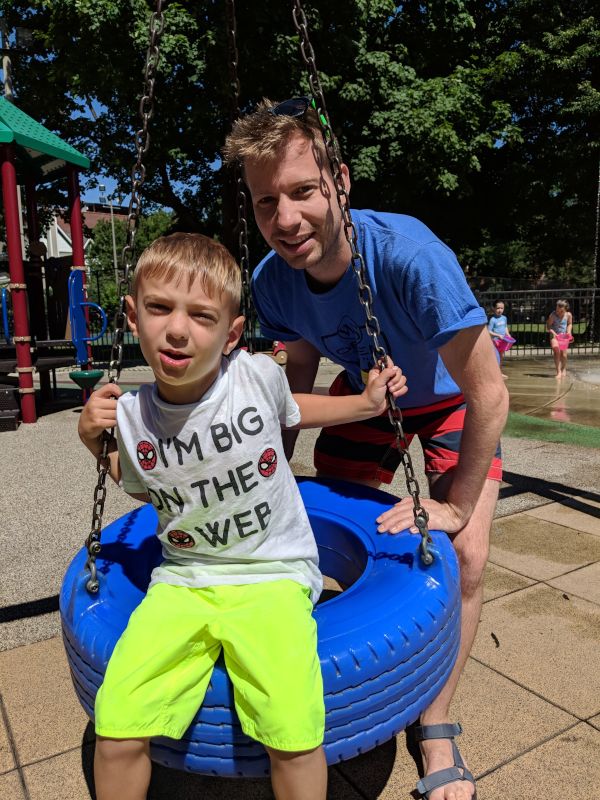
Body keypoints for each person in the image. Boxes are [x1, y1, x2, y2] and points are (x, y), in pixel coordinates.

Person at [223, 98, 509, 800]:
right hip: (370, 394)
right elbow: (289, 392)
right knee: (324, 523)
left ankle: (436, 725)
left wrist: (455, 503)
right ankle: (336, 673)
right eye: (267, 202)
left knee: (465, 551)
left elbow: (490, 394)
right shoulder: (271, 281)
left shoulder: (411, 258)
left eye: (303, 192)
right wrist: (272, 483)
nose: (286, 220)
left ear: (340, 183)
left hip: (447, 398)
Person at [77, 232, 405, 800]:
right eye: (159, 308)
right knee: (117, 724)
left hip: (272, 572)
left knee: (294, 727)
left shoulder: (255, 376)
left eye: (201, 316)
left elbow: (297, 410)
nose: (178, 329)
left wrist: (366, 404)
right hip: (183, 579)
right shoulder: (127, 415)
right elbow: (145, 487)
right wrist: (94, 443)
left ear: (230, 334)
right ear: (132, 317)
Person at [546, 299, 573, 379]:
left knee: (564, 354)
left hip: (563, 337)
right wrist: (553, 333)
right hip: (554, 336)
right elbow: (548, 326)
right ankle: (558, 372)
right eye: (557, 310)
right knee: (556, 350)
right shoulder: (553, 315)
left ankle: (563, 368)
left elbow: (570, 324)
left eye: (560, 311)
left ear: (565, 309)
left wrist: (569, 332)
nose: (558, 312)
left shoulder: (568, 315)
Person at [487, 300, 511, 374]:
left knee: (501, 356)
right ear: (493, 308)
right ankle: (494, 372)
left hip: (503, 340)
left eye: (502, 308)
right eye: (498, 308)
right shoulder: (492, 320)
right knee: (495, 356)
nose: (500, 310)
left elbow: (505, 327)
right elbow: (489, 331)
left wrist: (507, 334)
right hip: (495, 341)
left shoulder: (504, 318)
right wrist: (498, 335)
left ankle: (499, 372)